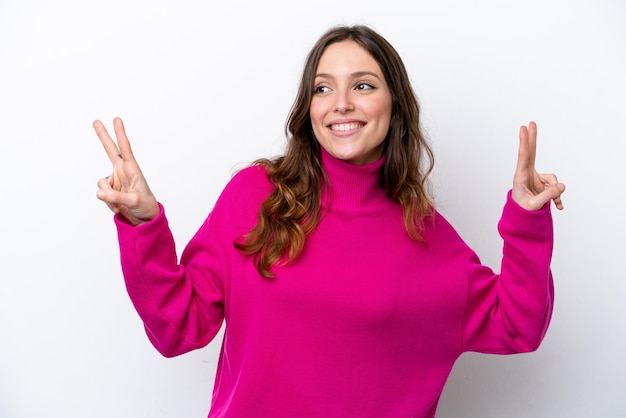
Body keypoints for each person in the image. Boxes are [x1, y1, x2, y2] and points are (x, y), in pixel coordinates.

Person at [94, 24, 565, 418]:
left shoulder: (426, 235)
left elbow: (517, 325)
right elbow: (178, 327)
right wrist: (144, 224)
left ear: (395, 106)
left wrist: (526, 218)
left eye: (363, 85)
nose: (341, 103)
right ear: (309, 108)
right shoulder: (255, 197)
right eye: (323, 87)